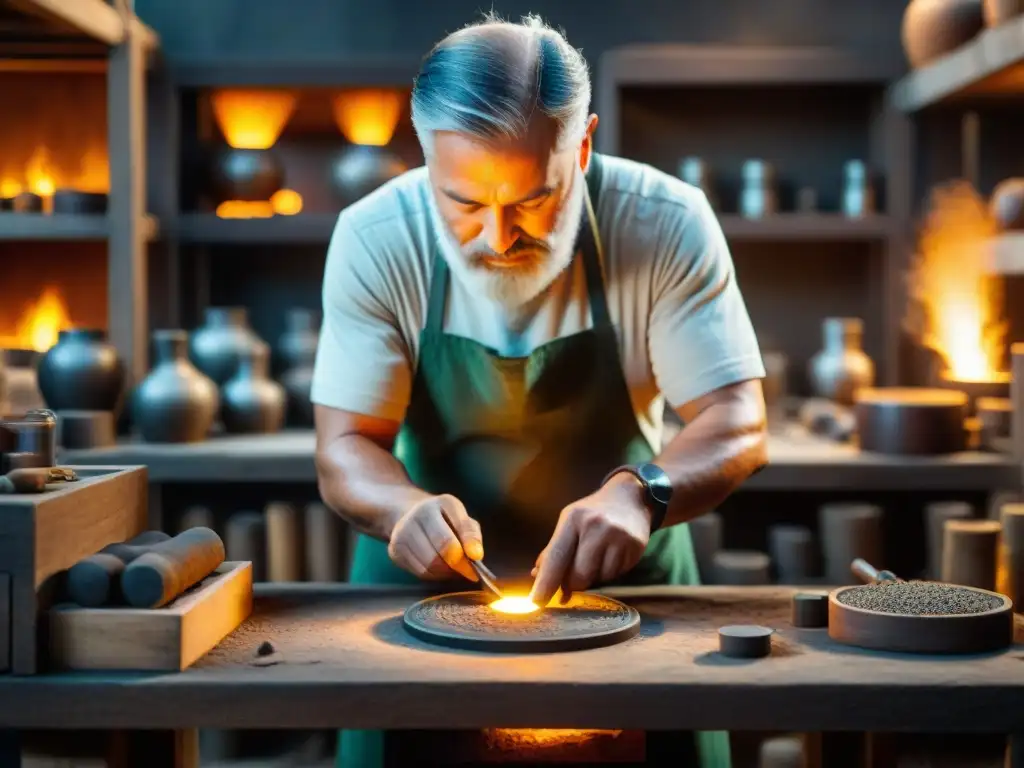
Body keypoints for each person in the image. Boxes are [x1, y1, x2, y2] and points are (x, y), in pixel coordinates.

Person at [312, 12, 768, 768]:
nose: (497, 236)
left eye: (530, 201)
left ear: (582, 145)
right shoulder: (375, 238)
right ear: (425, 158)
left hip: (628, 600)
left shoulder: (664, 222)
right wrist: (400, 507)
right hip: (420, 605)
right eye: (463, 204)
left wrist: (641, 491)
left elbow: (738, 420)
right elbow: (343, 448)